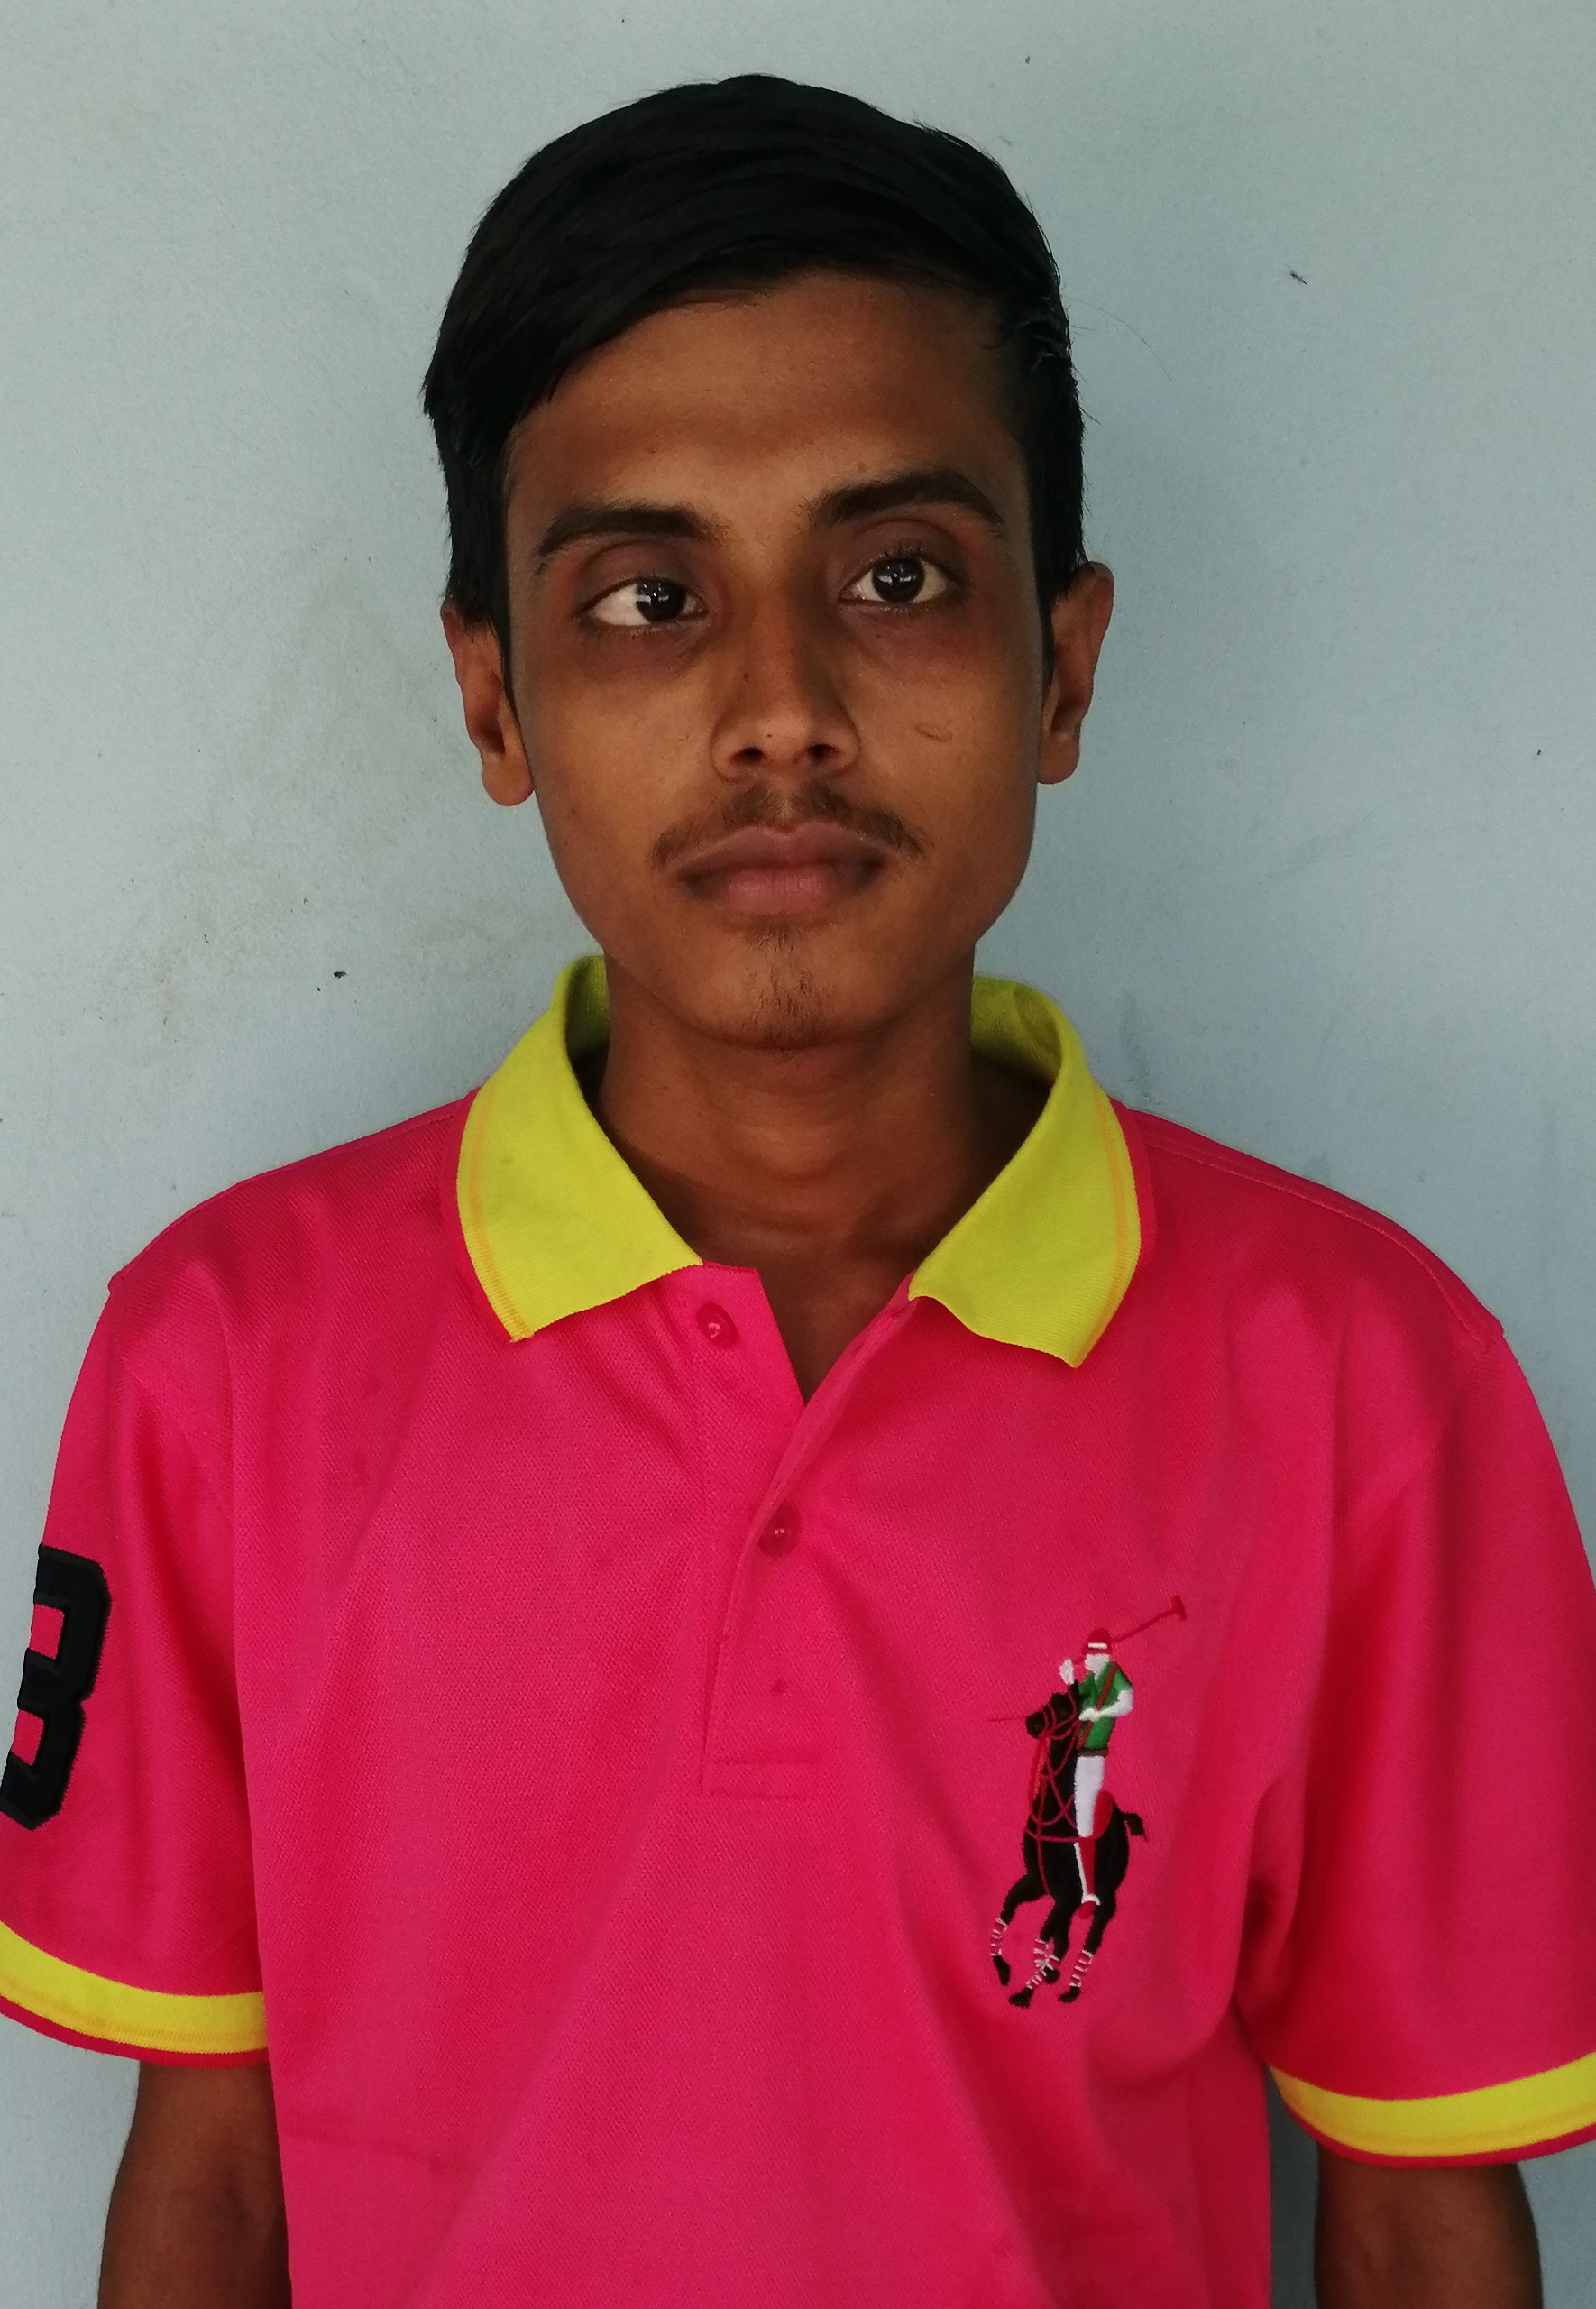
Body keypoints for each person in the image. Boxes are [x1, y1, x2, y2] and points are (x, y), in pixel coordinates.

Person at [1, 71, 1591, 2309]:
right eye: (649, 595)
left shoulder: (1366, 1385)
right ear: (494, 698)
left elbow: (1423, 2214)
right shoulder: (225, 1359)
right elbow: (215, 2179)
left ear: (1064, 664)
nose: (781, 709)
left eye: (898, 576)